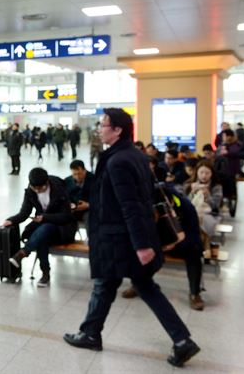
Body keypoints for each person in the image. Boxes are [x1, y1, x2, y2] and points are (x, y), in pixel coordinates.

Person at [63, 108, 199, 368]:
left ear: (117, 130)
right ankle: (93, 332)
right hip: (124, 237)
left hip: (120, 239)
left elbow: (132, 205)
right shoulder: (134, 155)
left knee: (117, 285)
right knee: (121, 285)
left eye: (103, 125)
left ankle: (179, 341)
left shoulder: (118, 161)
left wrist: (142, 245)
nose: (99, 129)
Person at [121, 187, 206, 311]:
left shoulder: (186, 207)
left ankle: (195, 293)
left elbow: (194, 235)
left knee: (194, 252)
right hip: (158, 243)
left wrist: (176, 242)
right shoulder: (149, 207)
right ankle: (138, 284)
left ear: (170, 200)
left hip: (182, 243)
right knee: (140, 248)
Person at [4, 168, 77, 287]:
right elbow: (24, 213)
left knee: (45, 228)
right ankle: (44, 273)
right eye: (34, 188)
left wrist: (45, 217)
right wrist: (11, 220)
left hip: (63, 229)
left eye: (40, 188)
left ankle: (24, 253)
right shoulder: (30, 191)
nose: (37, 191)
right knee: (43, 237)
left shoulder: (58, 188)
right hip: (44, 231)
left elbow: (66, 216)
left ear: (47, 182)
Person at [184, 160, 223, 241]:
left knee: (200, 221)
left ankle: (204, 244)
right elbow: (184, 204)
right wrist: (192, 193)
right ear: (196, 172)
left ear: (212, 174)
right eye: (201, 172)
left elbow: (216, 206)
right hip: (192, 213)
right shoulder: (189, 184)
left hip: (211, 214)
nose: (204, 176)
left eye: (207, 173)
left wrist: (207, 195)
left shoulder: (216, 186)